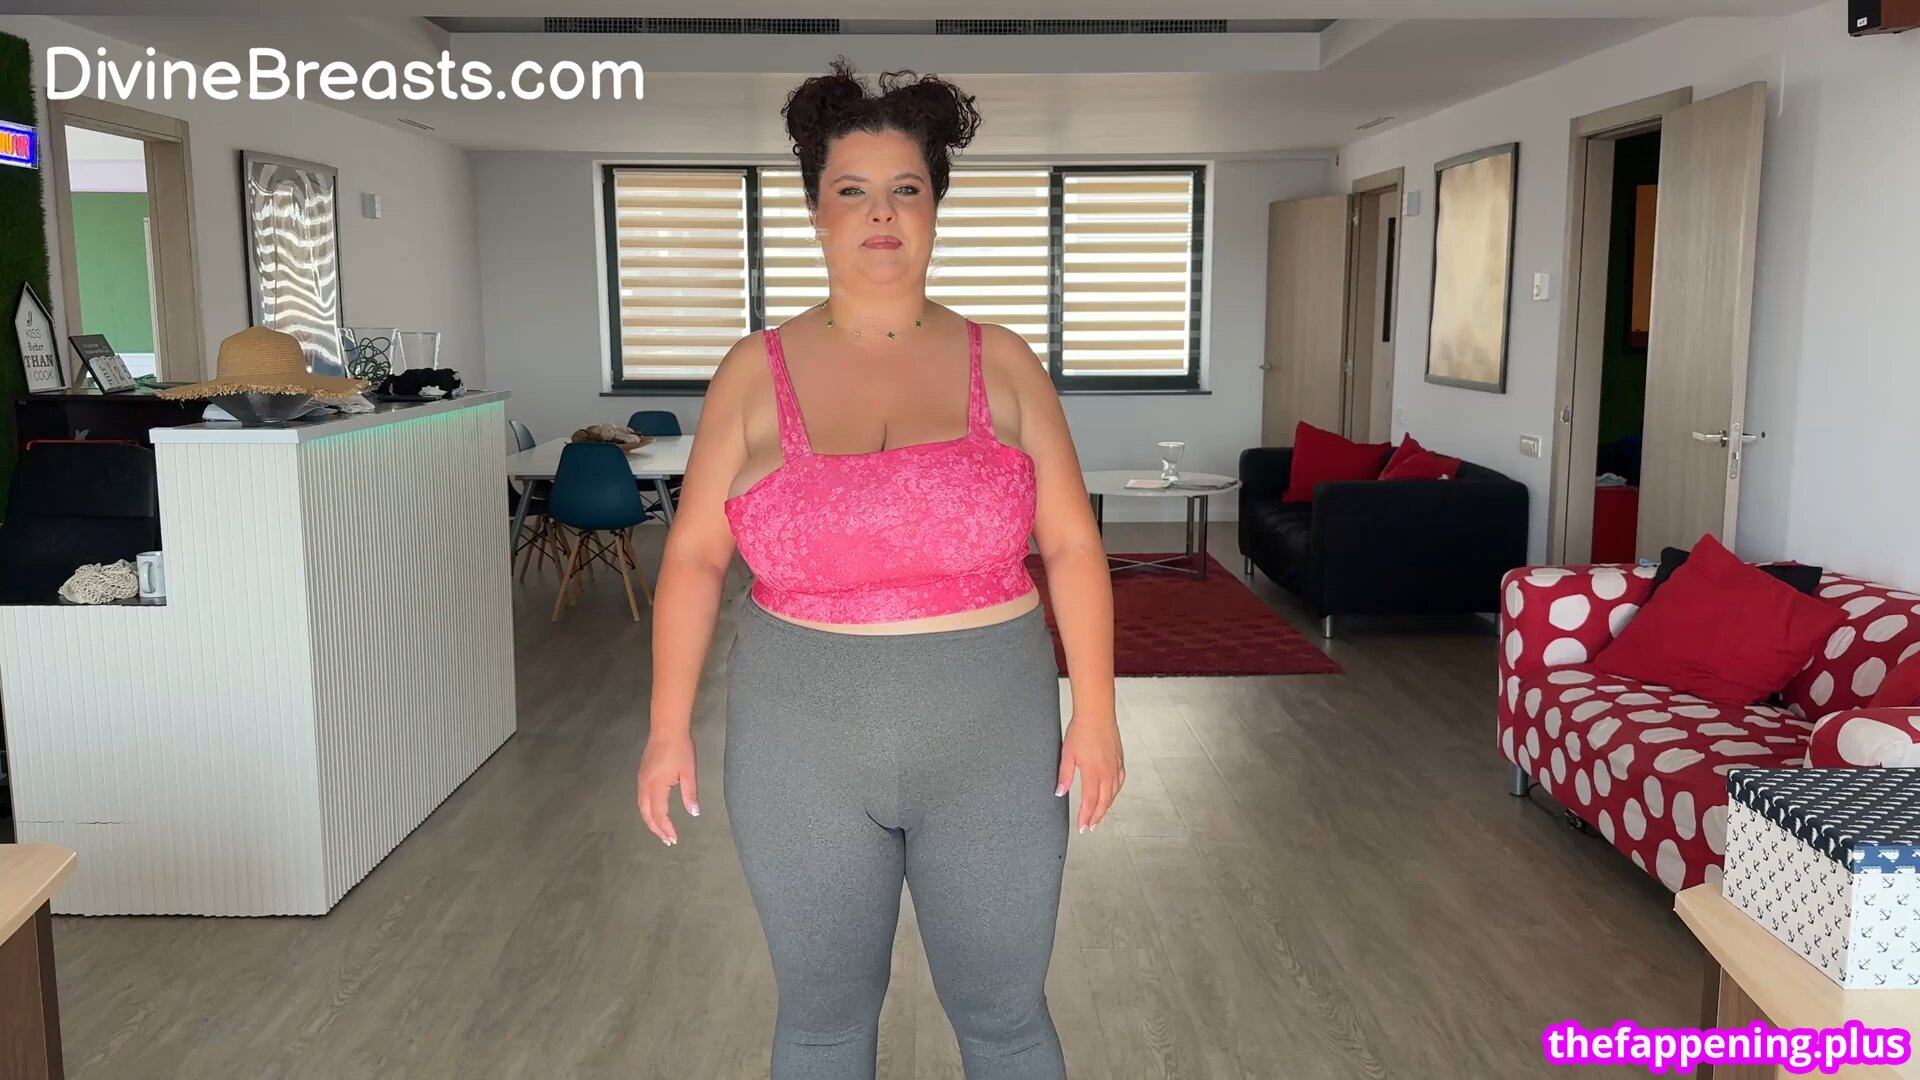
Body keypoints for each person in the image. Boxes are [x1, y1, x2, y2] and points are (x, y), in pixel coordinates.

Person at [637, 58, 1122, 1080]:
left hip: (996, 737)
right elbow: (694, 554)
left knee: (1006, 1017)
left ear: (935, 204)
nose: (881, 214)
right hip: (798, 740)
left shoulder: (1006, 361)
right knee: (821, 1019)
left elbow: (1075, 545)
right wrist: (666, 726)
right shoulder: (751, 371)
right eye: (851, 190)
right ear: (815, 212)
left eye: (906, 187)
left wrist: (1099, 714)